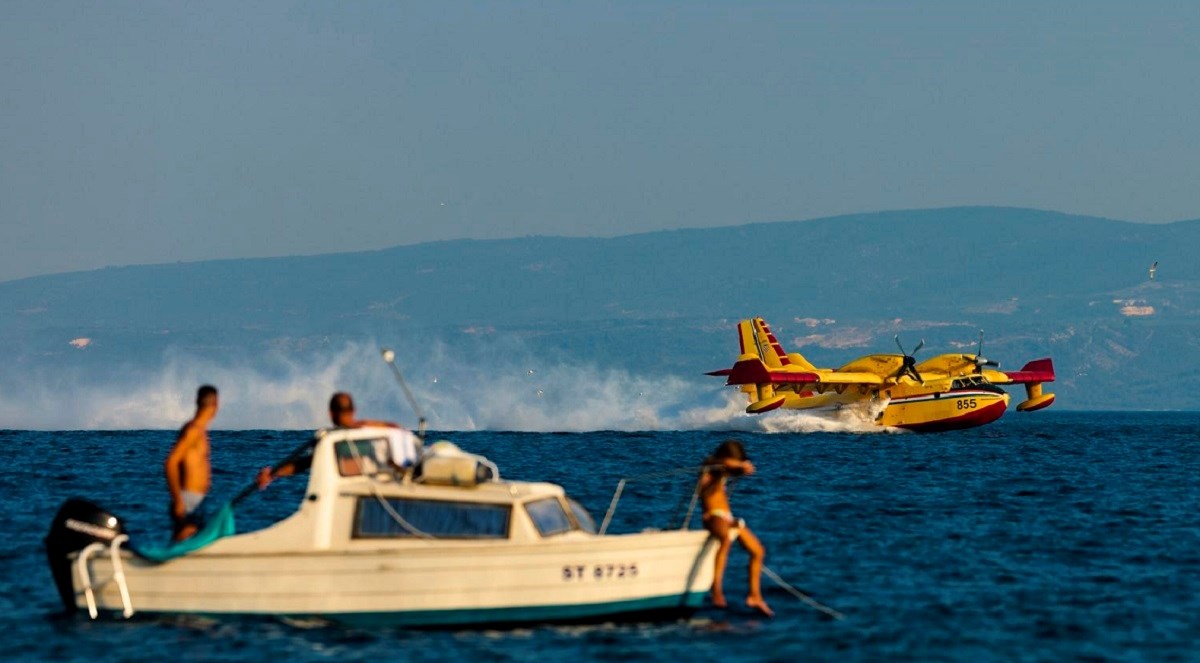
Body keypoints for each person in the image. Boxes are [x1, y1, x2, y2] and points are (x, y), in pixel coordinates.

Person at [256, 391, 399, 488]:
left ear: (330, 414)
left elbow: (304, 463)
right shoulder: (375, 431)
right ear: (354, 411)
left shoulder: (329, 440)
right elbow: (396, 427)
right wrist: (366, 424)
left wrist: (273, 474)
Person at [698, 439, 773, 617]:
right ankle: (716, 588)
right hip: (712, 516)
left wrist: (741, 469)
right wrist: (741, 465)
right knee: (725, 539)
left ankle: (754, 595)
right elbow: (725, 463)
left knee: (758, 551)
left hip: (727, 517)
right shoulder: (709, 464)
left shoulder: (722, 469)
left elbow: (730, 466)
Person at [165, 385, 219, 542]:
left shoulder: (199, 431)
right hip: (188, 501)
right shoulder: (193, 431)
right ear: (215, 404)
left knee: (193, 549)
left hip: (197, 501)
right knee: (183, 547)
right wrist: (178, 500)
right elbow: (171, 462)